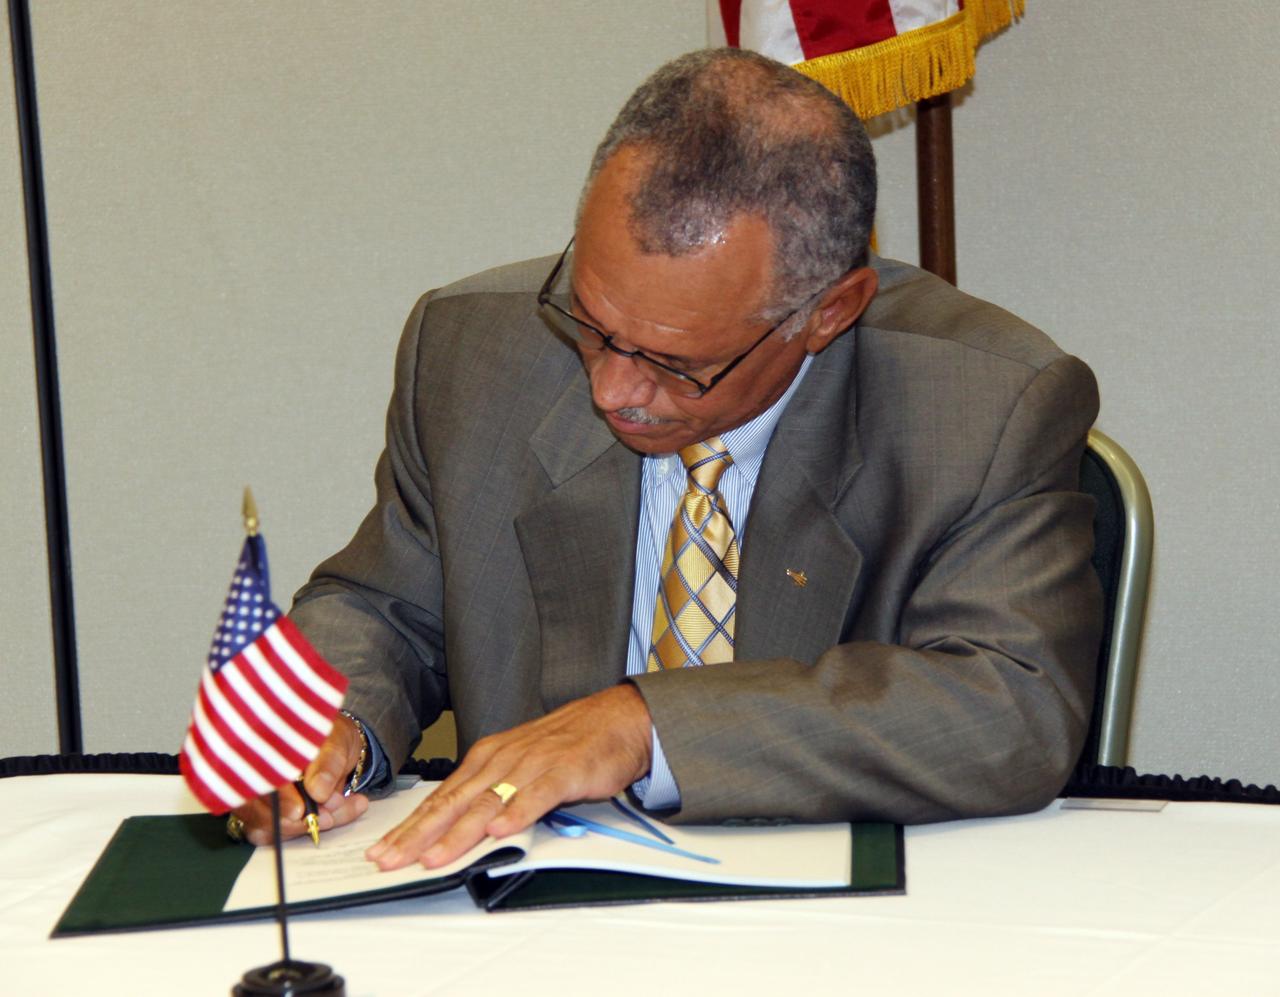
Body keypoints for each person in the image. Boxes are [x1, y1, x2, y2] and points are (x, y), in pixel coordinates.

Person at [230, 48, 1102, 873]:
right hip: (534, 918)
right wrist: (323, 720)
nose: (613, 390)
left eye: (675, 363)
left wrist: (648, 725)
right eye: (592, 323)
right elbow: (384, 605)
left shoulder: (986, 405)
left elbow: (1008, 709)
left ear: (829, 312)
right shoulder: (471, 352)